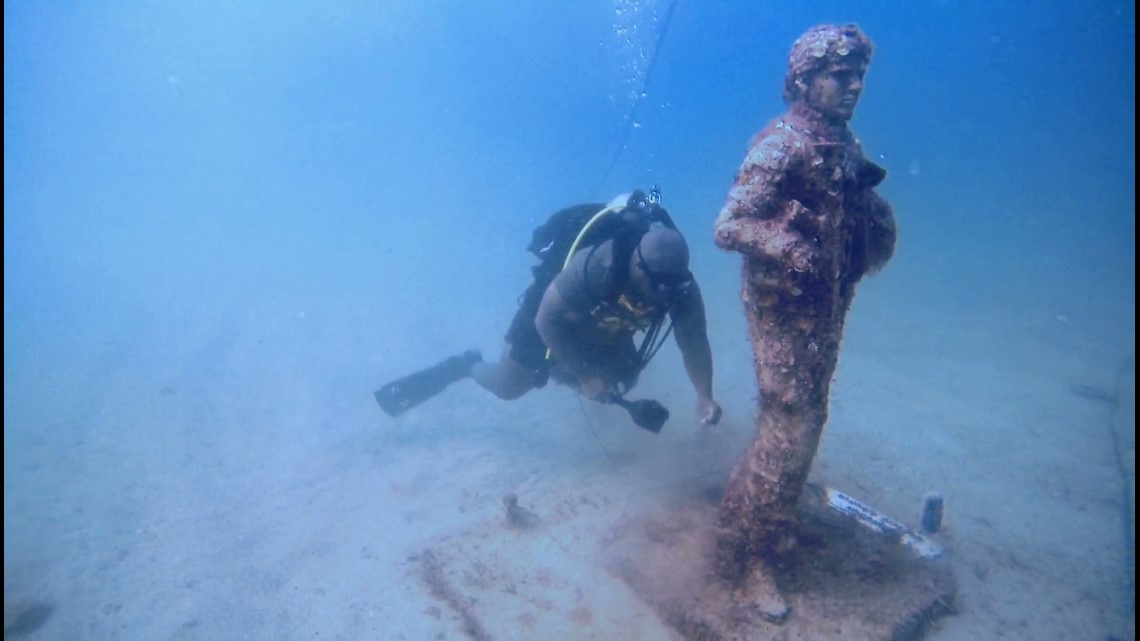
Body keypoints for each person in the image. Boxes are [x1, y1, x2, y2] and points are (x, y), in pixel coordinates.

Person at [711, 23, 898, 617]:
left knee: (803, 423)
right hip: (783, 309)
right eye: (839, 76)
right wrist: (790, 248)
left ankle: (753, 521)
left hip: (825, 306)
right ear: (804, 80)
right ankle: (747, 559)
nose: (853, 86)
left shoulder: (842, 142)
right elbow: (730, 225)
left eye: (858, 75)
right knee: (790, 429)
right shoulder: (781, 145)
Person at [375, 190, 722, 432]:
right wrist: (585, 375)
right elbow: (546, 320)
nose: (664, 291)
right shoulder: (597, 267)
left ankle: (581, 376)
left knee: (622, 381)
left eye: (672, 281)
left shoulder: (681, 288)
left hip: (605, 326)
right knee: (508, 385)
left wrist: (704, 396)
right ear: (636, 263)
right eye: (656, 280)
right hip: (553, 316)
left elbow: (694, 343)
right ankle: (464, 366)